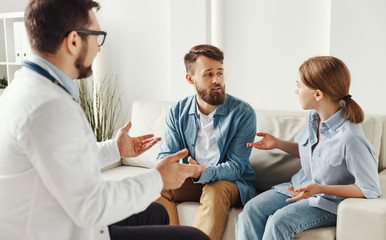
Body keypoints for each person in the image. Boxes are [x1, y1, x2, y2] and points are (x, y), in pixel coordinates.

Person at [0, 0, 209, 240]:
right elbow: (92, 206)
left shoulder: (26, 87)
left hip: (56, 214)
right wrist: (157, 178)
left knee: (155, 212)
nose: (99, 48)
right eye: (97, 36)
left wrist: (115, 149)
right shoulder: (48, 107)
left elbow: (65, 159)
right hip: (54, 229)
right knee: (195, 238)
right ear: (74, 41)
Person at [235, 56, 381, 240]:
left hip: (328, 202)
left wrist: (321, 188)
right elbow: (313, 153)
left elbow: (369, 189)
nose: (296, 91)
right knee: (252, 210)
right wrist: (278, 143)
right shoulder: (314, 117)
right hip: (300, 187)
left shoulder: (350, 138)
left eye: (300, 86)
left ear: (318, 94)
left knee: (279, 221)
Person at [156, 44, 257, 240]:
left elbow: (236, 167)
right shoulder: (178, 112)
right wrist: (187, 169)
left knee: (215, 188)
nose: (216, 80)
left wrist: (202, 172)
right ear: (190, 78)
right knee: (155, 183)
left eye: (220, 73)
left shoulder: (243, 113)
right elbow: (164, 158)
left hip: (230, 183)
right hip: (192, 178)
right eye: (208, 74)